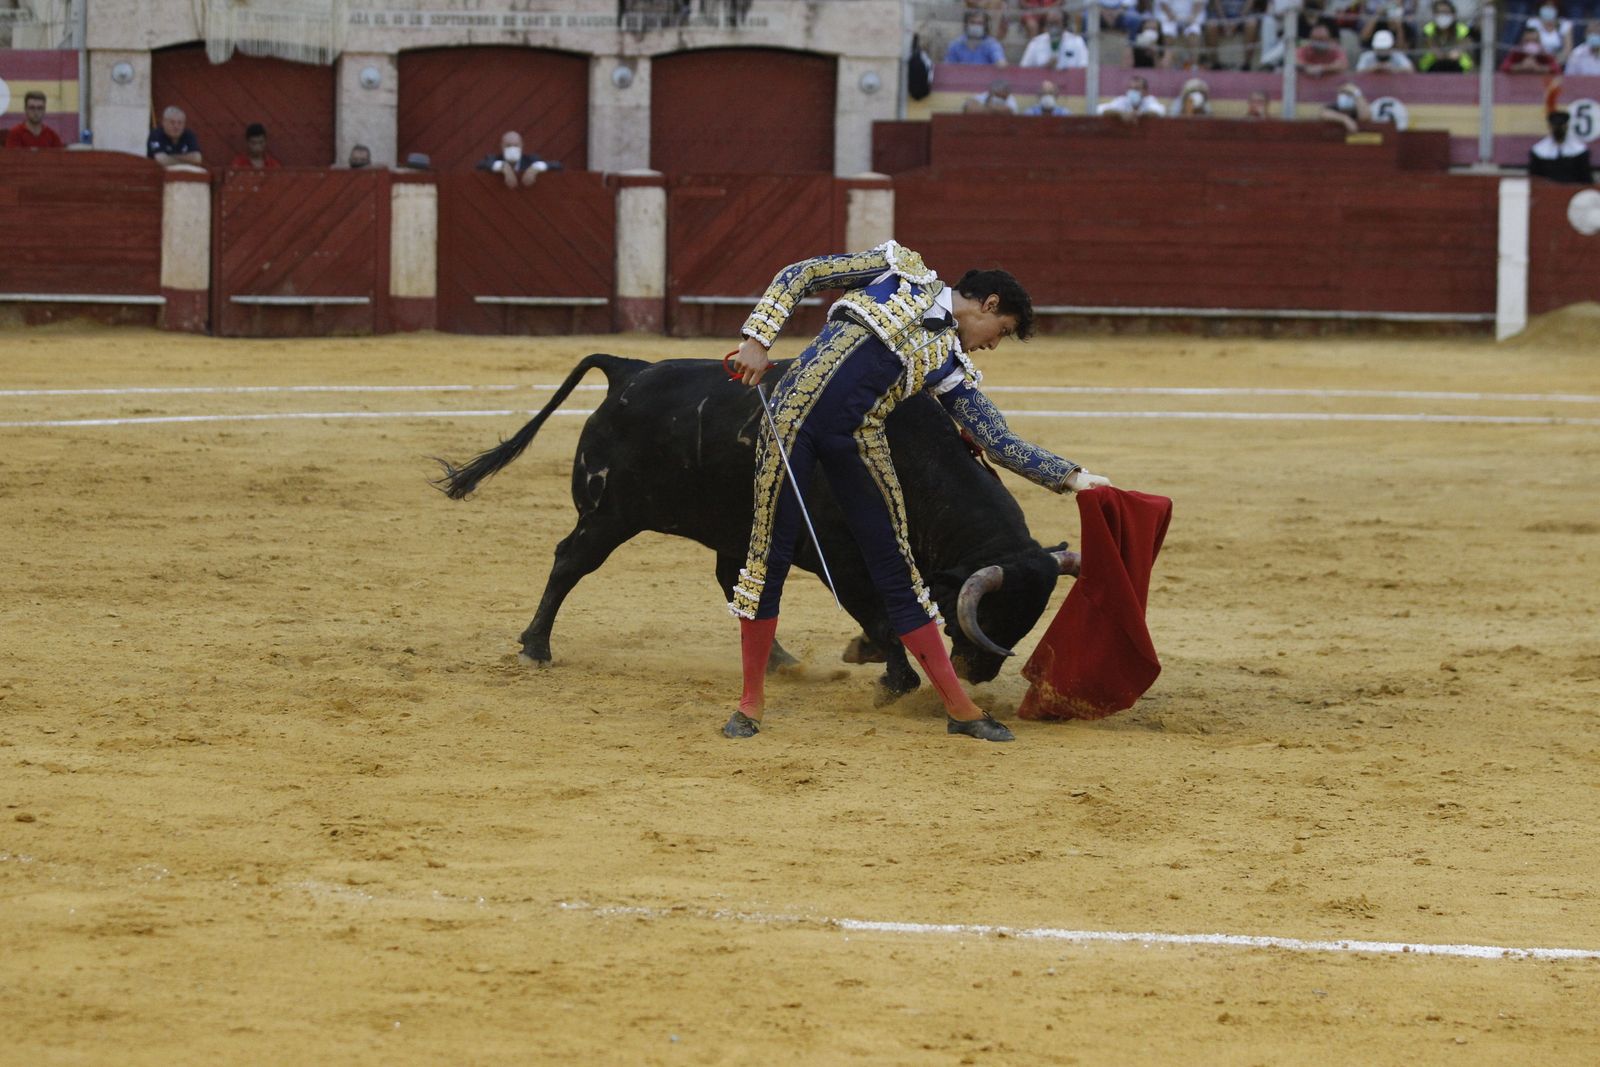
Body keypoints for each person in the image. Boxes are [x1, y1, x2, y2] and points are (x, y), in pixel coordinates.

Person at [724, 241, 1111, 743]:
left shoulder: (949, 363)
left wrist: (1074, 477)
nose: (993, 345)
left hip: (861, 443)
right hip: (790, 425)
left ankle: (959, 707)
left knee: (897, 569)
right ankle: (750, 703)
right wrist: (757, 338)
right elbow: (805, 273)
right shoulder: (897, 269)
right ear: (989, 304)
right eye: (1003, 331)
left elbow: (996, 438)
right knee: (766, 559)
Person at [1528, 108, 1594, 182]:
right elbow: (1536, 180)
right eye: (1555, 126)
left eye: (1561, 125)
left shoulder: (1580, 151)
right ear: (1550, 126)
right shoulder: (1539, 151)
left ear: (1567, 126)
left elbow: (1586, 179)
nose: (1558, 128)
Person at [475, 131, 555, 188]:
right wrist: (504, 167)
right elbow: (480, 164)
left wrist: (535, 168)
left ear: (522, 146)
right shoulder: (493, 158)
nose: (512, 149)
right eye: (508, 146)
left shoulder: (531, 160)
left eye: (516, 145)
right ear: (501, 146)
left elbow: (557, 165)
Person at [1020, 10, 1090, 67]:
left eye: (1056, 23)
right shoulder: (1036, 42)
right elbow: (1024, 70)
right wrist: (1044, 69)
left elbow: (1084, 68)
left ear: (1064, 25)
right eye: (1050, 23)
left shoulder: (1077, 41)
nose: (1053, 28)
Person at [1418, 0, 1475, 72]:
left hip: (1458, 67)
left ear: (1453, 15)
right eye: (1439, 12)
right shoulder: (1428, 29)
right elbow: (1436, 53)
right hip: (1433, 66)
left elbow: (1461, 48)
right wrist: (1446, 55)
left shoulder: (1462, 29)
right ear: (1434, 14)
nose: (1443, 16)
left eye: (1446, 12)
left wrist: (1457, 52)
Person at [1098, 74, 1168, 118]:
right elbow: (1101, 110)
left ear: (1145, 91)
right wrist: (1121, 114)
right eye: (1130, 88)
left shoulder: (1149, 100)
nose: (1132, 91)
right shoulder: (1122, 100)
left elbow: (1159, 112)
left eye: (1136, 89)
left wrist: (1139, 114)